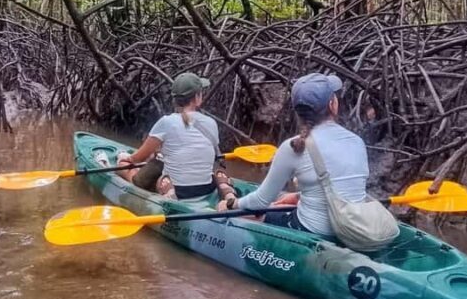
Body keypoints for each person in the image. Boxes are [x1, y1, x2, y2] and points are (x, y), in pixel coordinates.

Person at [217, 73, 368, 236]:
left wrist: (231, 204)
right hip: (352, 228)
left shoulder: (292, 147)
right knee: (281, 205)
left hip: (314, 229)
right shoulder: (358, 142)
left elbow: (260, 201)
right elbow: (343, 188)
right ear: (333, 105)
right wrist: (298, 196)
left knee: (248, 211)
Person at [115, 72, 237, 202]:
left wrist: (125, 158)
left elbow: (138, 158)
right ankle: (225, 189)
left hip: (177, 189)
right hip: (207, 188)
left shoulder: (166, 122)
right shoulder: (211, 123)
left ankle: (165, 192)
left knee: (123, 165)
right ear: (197, 98)